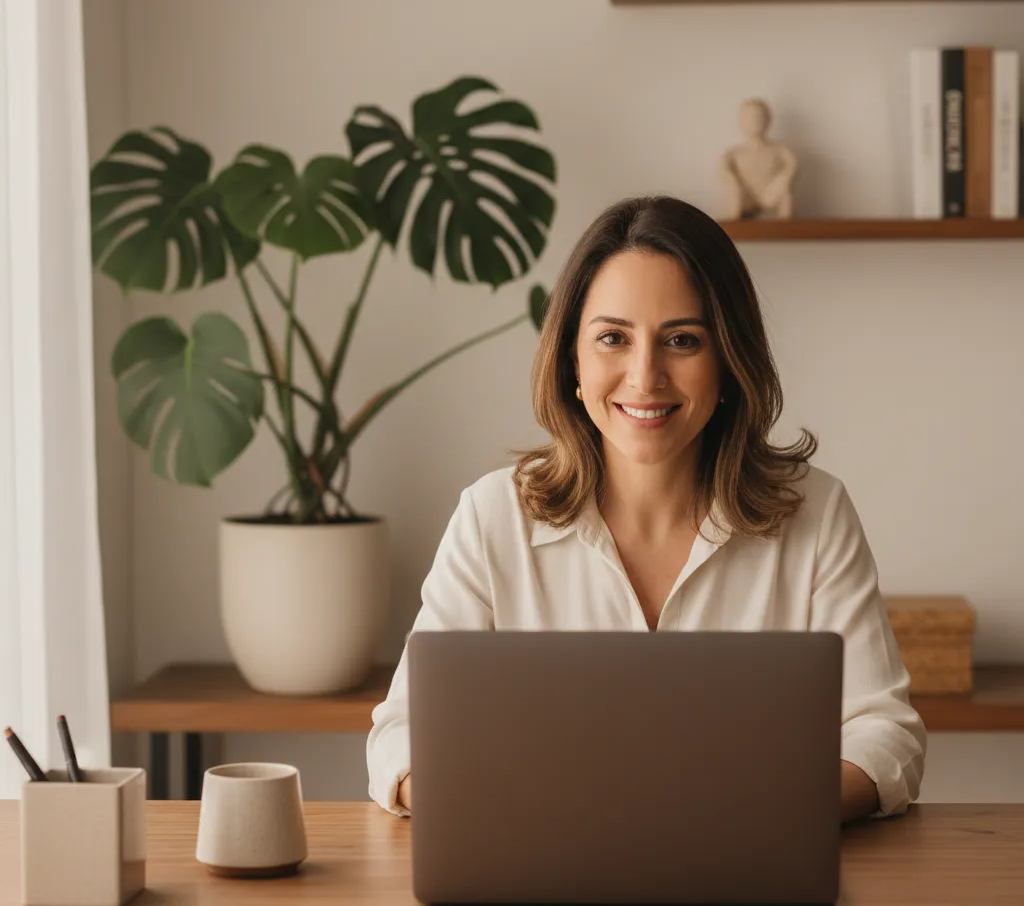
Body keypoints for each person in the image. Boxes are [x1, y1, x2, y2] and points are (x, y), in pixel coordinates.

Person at [366, 195, 926, 824]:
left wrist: (742, 812)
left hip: (745, 867)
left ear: (728, 361)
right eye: (613, 338)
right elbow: (401, 736)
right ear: (573, 360)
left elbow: (885, 734)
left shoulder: (815, 513)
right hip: (542, 867)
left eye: (682, 340)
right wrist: (519, 807)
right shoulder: (492, 517)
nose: (645, 376)